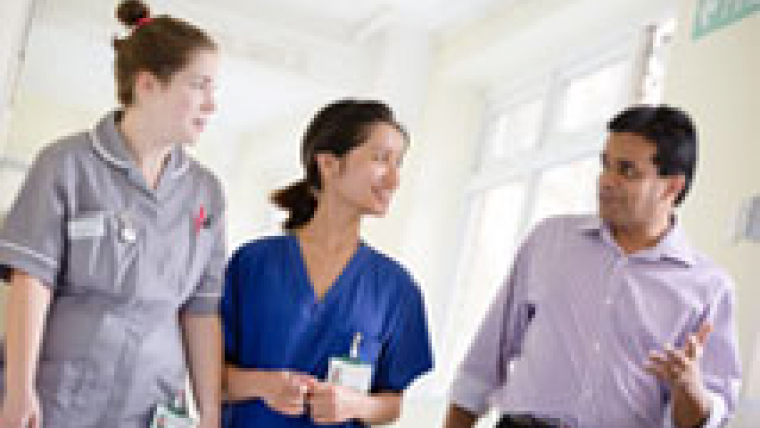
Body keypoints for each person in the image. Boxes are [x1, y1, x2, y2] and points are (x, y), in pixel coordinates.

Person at [444, 105, 742, 428]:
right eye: (606, 165)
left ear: (671, 187)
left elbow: (706, 418)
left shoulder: (709, 287)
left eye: (627, 171)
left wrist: (689, 387)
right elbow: (484, 362)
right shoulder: (550, 240)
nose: (606, 181)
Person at [0, 1, 225, 427]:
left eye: (215, 90)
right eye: (199, 86)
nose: (211, 104)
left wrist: (210, 413)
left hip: (150, 406)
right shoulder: (66, 164)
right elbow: (32, 282)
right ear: (147, 85)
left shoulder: (205, 193)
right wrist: (19, 390)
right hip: (59, 398)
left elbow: (201, 310)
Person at [221, 99, 434, 427]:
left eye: (399, 163)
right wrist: (265, 385)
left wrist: (356, 406)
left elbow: (391, 403)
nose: (394, 179)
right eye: (380, 159)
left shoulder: (396, 288)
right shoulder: (252, 264)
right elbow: (208, 377)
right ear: (329, 164)